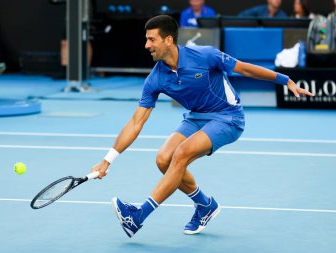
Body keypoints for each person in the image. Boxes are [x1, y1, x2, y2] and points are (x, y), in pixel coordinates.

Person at [91, 15, 313, 238]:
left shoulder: (205, 55)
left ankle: (138, 216)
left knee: (181, 153)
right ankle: (205, 205)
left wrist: (285, 80)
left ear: (168, 40)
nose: (146, 45)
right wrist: (107, 159)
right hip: (196, 118)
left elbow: (244, 69)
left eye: (151, 40)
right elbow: (136, 122)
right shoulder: (156, 78)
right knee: (163, 159)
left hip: (228, 117)